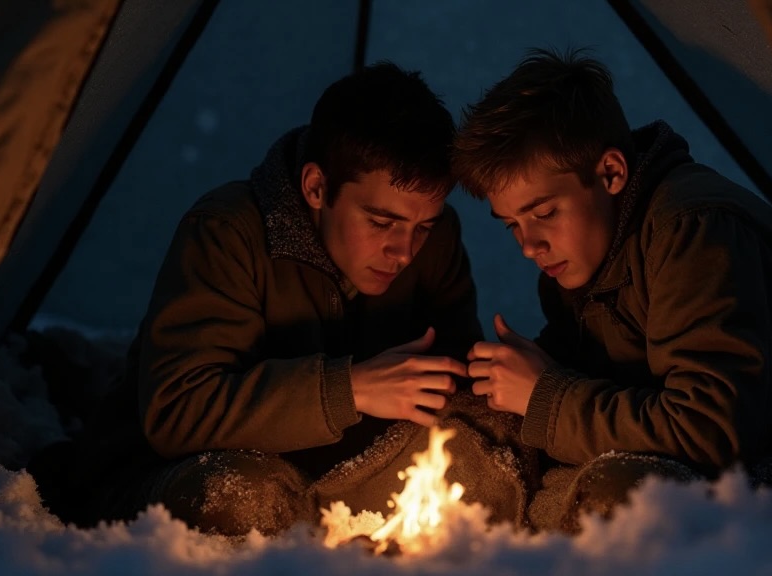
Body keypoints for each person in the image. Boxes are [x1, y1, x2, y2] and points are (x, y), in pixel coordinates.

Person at [453, 48, 772, 530]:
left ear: (611, 173)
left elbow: (712, 431)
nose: (529, 245)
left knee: (621, 493)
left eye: (543, 213)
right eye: (511, 225)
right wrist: (503, 381)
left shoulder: (698, 231)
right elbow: (593, 381)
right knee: (475, 434)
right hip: (721, 470)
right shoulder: (584, 257)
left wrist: (545, 397)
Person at [32, 62, 489, 537]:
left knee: (485, 464)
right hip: (187, 469)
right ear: (316, 187)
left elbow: (454, 373)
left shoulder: (434, 240)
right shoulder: (228, 232)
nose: (404, 250)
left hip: (339, 470)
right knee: (242, 499)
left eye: (423, 226)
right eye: (380, 222)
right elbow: (176, 413)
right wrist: (350, 389)